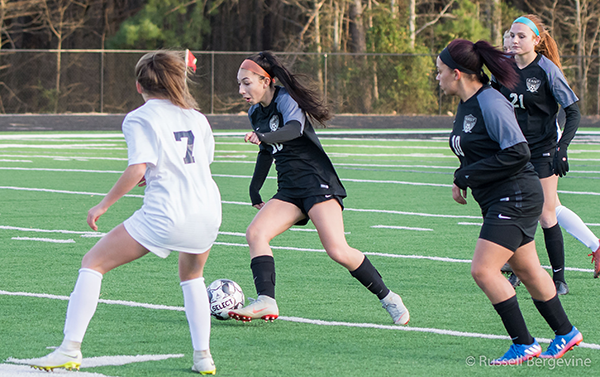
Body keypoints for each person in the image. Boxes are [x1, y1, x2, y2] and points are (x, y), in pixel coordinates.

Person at [29, 50, 222, 375]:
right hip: (208, 210)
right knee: (192, 278)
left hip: (168, 211)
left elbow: (137, 168)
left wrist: (103, 205)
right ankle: (203, 357)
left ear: (138, 86)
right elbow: (199, 162)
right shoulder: (196, 117)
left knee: (93, 263)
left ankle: (69, 349)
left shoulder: (139, 117)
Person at [227, 51, 409, 325]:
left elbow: (293, 130)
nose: (241, 90)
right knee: (255, 233)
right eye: (239, 84)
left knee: (338, 250)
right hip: (289, 189)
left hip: (317, 183)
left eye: (246, 83)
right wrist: (255, 189)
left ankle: (390, 298)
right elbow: (266, 151)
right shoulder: (255, 112)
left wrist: (262, 136)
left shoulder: (286, 99)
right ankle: (266, 299)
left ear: (266, 81)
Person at [437, 38, 582, 364]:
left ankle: (524, 343)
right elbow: (477, 149)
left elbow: (517, 152)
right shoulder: (467, 103)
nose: (437, 77)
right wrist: (463, 174)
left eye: (440, 71)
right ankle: (566, 332)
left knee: (484, 270)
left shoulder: (490, 101)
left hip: (515, 196)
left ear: (457, 73)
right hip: (500, 198)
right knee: (529, 270)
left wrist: (467, 176)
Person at [494, 15, 600, 295]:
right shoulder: (502, 68)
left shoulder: (546, 70)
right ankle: (515, 266)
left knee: (545, 213)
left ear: (536, 41)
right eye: (510, 35)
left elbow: (573, 111)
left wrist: (562, 149)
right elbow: (492, 104)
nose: (514, 40)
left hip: (542, 150)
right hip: (514, 151)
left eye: (521, 36)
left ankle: (559, 279)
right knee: (511, 206)